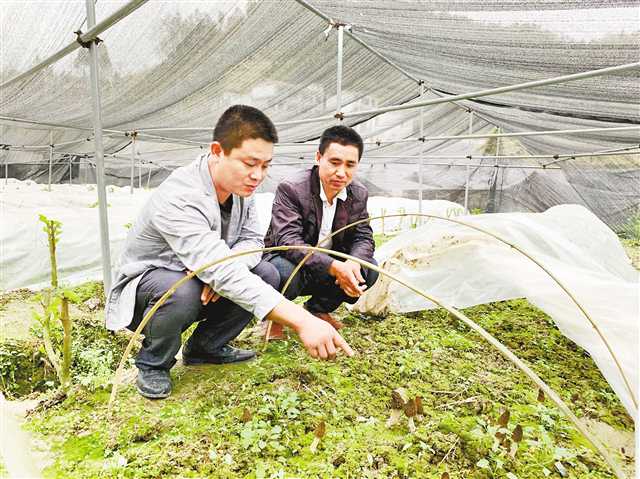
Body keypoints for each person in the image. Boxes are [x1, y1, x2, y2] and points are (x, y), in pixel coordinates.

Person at [105, 105, 354, 399]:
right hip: (148, 290)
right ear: (217, 151)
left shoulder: (240, 190)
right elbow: (219, 270)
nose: (257, 175)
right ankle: (154, 363)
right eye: (249, 163)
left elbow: (253, 240)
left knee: (266, 272)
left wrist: (223, 267)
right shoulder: (180, 196)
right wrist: (303, 320)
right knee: (181, 289)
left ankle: (206, 347)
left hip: (206, 274)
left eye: (265, 166)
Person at [263, 125, 378, 339]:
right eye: (334, 162)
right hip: (291, 259)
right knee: (282, 272)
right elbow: (288, 241)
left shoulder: (358, 194)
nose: (341, 172)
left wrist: (353, 263)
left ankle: (317, 309)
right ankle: (275, 317)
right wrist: (334, 266)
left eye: (350, 165)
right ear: (318, 157)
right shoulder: (292, 188)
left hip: (328, 264)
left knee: (368, 270)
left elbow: (363, 236)